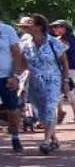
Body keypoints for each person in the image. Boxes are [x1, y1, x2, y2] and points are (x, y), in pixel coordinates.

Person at [17, 15, 64, 154]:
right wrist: (17, 77)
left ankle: (46, 142)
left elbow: (64, 62)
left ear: (39, 26)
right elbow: (22, 64)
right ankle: (54, 138)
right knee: (42, 112)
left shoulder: (53, 42)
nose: (27, 26)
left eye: (31, 23)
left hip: (52, 79)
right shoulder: (25, 43)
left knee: (50, 107)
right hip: (35, 81)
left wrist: (66, 80)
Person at [51, 20, 75, 125]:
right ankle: (72, 115)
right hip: (74, 67)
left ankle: (65, 113)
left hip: (69, 68)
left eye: (58, 26)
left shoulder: (64, 40)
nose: (54, 29)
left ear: (65, 28)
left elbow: (58, 53)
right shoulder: (69, 38)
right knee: (69, 92)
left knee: (64, 91)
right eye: (53, 27)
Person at [0, 15, 22, 153]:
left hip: (6, 76)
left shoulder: (7, 30)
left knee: (12, 109)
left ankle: (15, 136)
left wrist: (15, 76)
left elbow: (17, 54)